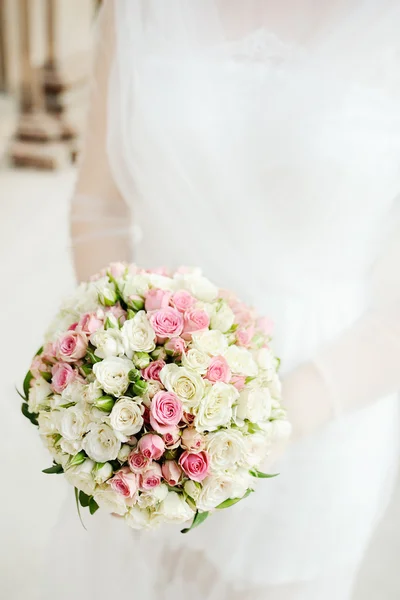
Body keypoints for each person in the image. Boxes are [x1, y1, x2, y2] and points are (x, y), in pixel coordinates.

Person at [45, 1, 400, 599]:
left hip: (326, 408)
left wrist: (277, 416)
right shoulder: (137, 13)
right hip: (145, 411)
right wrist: (122, 359)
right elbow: (99, 205)